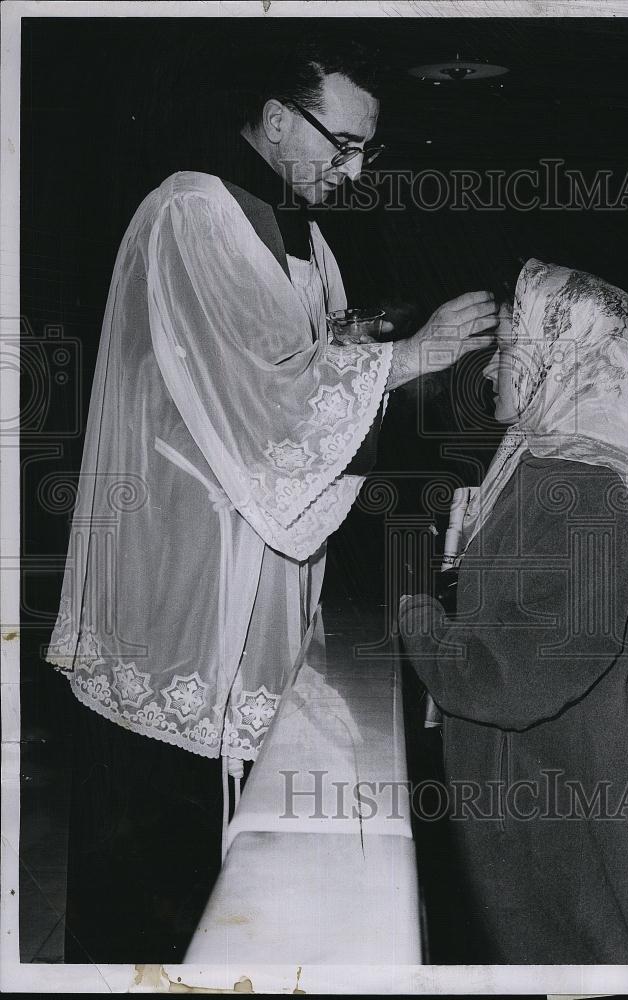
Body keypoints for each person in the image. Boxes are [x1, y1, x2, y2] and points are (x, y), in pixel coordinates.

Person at [45, 38, 499, 962]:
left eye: (368, 150)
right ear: (280, 120)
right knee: (154, 845)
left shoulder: (304, 234)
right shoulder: (194, 208)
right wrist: (406, 356)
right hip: (183, 561)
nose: (354, 170)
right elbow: (257, 397)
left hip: (253, 549)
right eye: (343, 145)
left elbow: (296, 366)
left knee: (235, 842)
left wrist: (356, 341)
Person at [398, 258, 628, 964]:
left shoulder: (586, 492)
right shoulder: (530, 463)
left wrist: (418, 621)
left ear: (563, 358)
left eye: (508, 347)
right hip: (540, 804)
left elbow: (518, 675)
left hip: (579, 829)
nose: (487, 369)